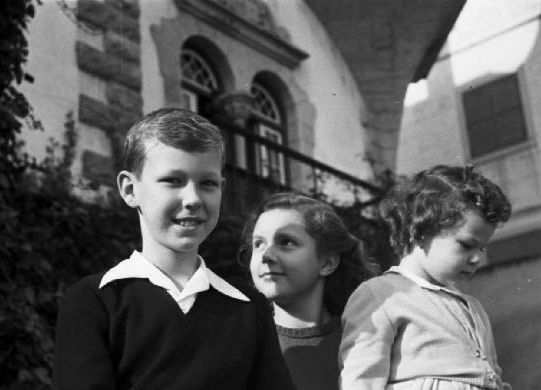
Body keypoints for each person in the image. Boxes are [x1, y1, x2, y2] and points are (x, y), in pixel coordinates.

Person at [52, 108, 296, 390]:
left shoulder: (248, 308)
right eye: (173, 181)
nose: (192, 199)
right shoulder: (95, 301)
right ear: (130, 190)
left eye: (207, 184)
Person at [339, 165, 512, 390]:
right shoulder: (381, 295)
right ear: (419, 232)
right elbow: (361, 381)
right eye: (467, 245)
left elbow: (492, 376)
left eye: (481, 248)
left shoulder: (473, 308)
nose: (477, 258)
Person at [240, 192, 374, 390]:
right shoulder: (237, 344)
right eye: (258, 244)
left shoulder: (366, 342)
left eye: (286, 242)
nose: (266, 255)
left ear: (327, 262)